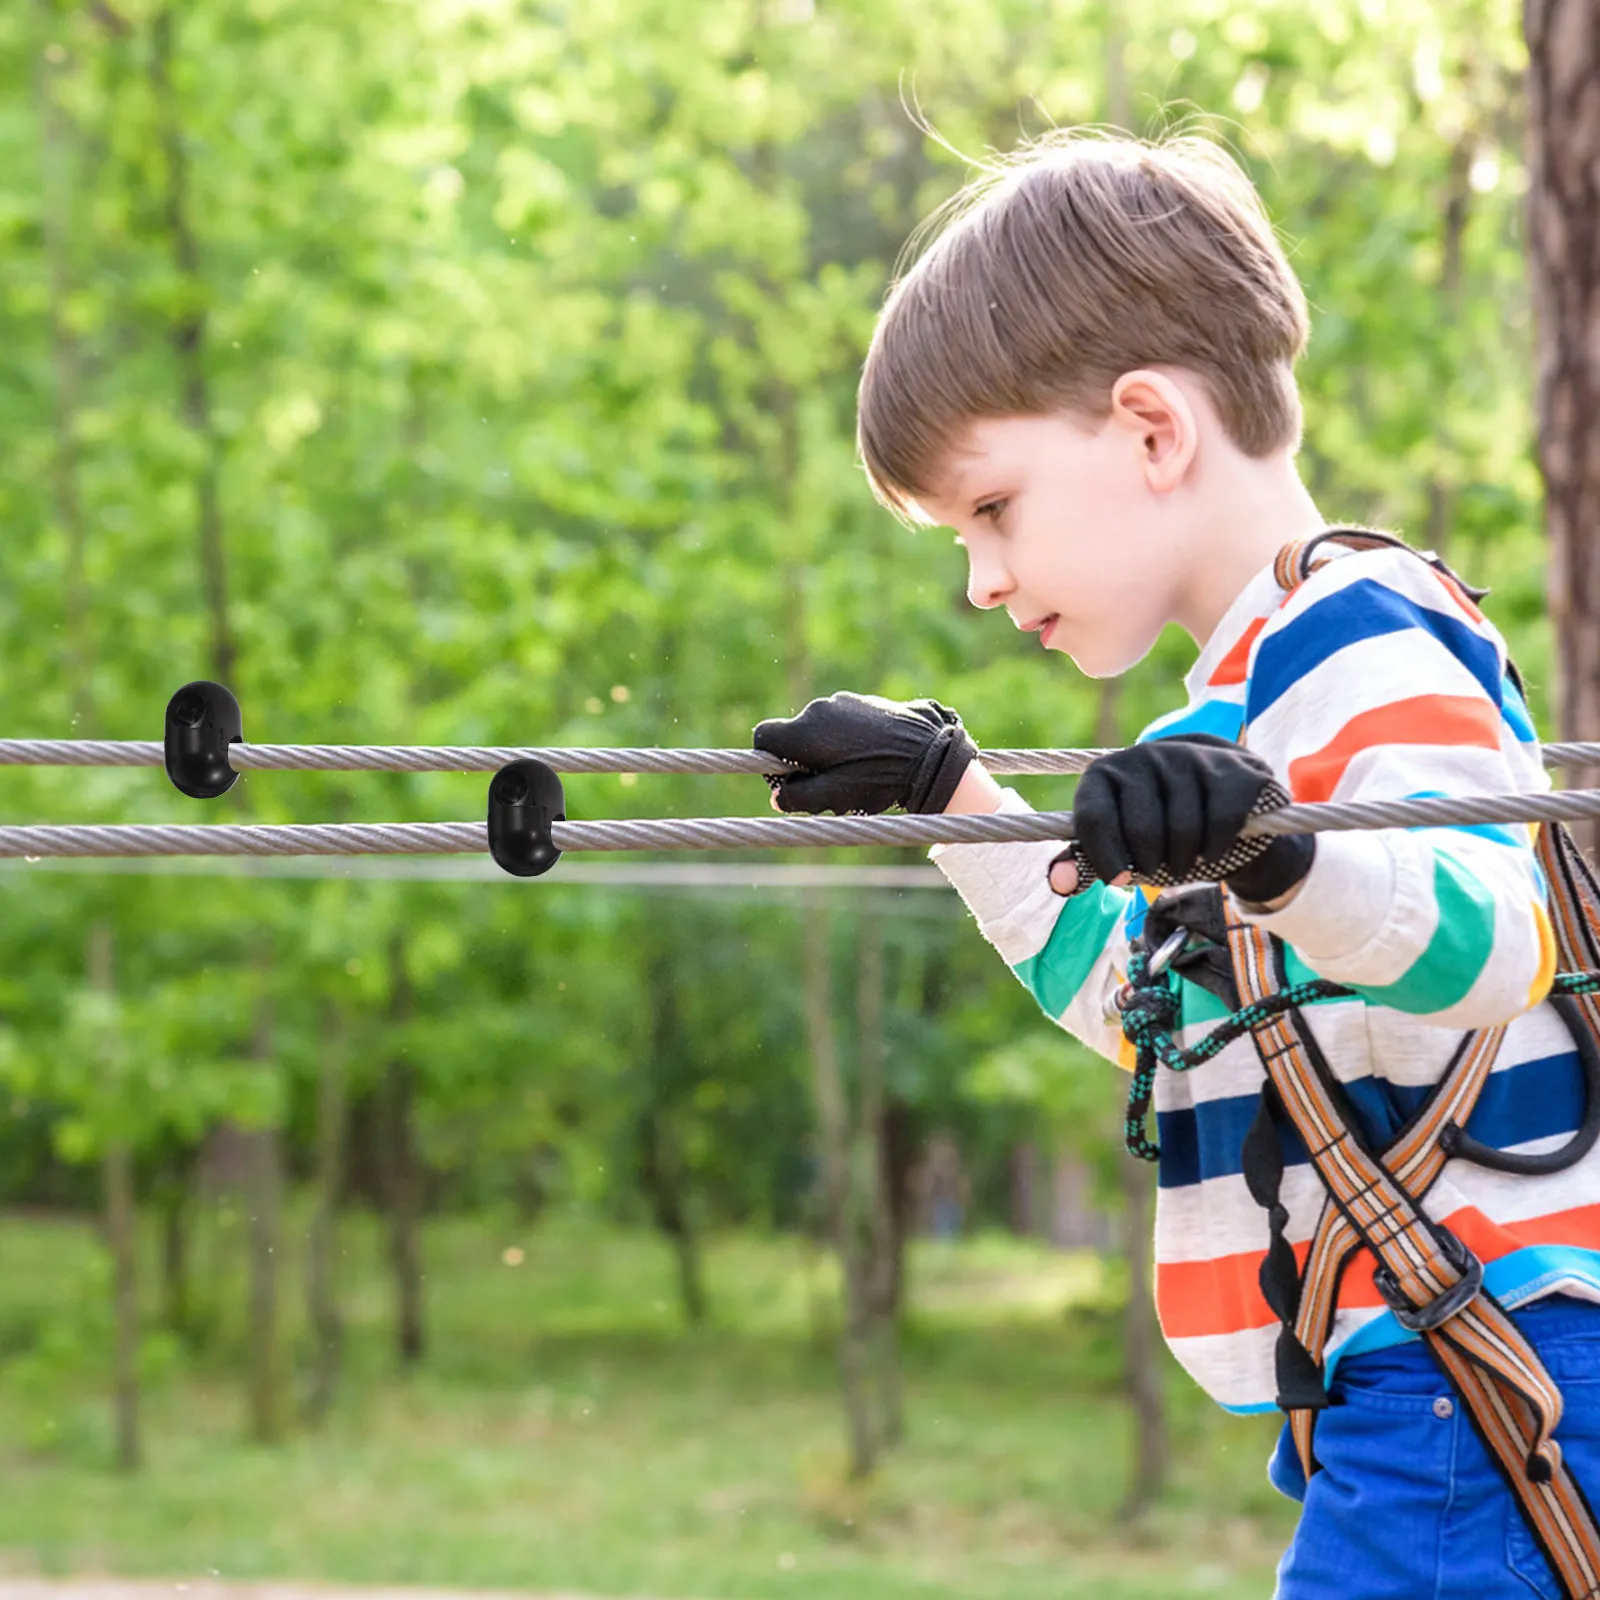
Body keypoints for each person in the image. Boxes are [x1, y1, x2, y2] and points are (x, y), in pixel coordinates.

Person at [752, 131, 1600, 1599]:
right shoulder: (1219, 724)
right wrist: (962, 805)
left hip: (1481, 1367)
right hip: (1411, 1378)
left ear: (1151, 429)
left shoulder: (1371, 627)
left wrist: (1269, 854)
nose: (982, 579)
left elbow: (1491, 935)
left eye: (992, 508)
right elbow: (1147, 1013)